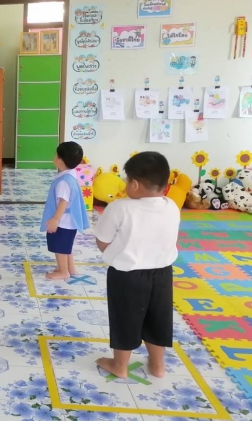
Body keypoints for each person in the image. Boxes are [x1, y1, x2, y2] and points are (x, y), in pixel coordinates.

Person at [94, 152, 180, 379]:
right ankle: (158, 365)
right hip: (162, 273)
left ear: (134, 184)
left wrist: (116, 253)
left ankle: (119, 366)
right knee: (158, 318)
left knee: (125, 318)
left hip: (127, 275)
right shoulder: (171, 206)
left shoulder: (119, 207)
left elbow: (102, 240)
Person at [41, 142, 89, 280]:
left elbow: (63, 201)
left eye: (55, 155)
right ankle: (70, 268)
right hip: (69, 222)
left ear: (60, 161)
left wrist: (55, 219)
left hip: (63, 222)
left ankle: (63, 271)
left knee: (60, 248)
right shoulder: (71, 175)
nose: (54, 156)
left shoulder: (63, 182)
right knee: (66, 246)